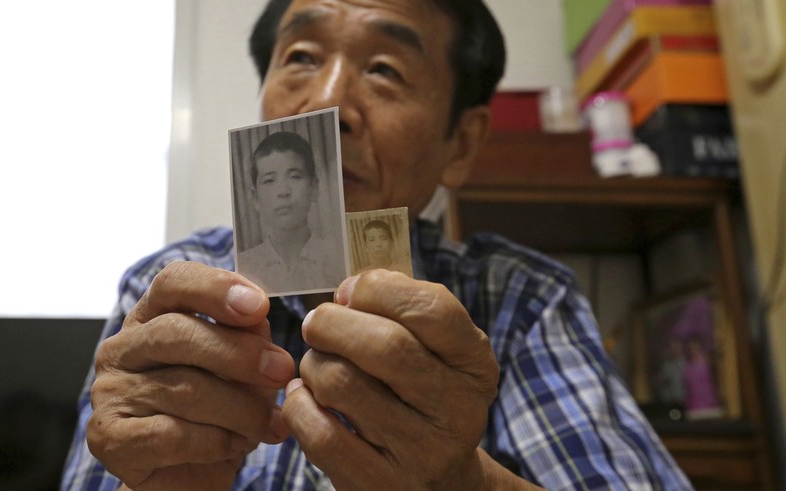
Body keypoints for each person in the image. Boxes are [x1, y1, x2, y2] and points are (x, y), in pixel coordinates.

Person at [62, 0, 691, 489]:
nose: (329, 102)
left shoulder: (519, 298)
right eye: (301, 57)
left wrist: (460, 485)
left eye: (385, 69)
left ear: (462, 144)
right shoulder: (164, 290)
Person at [236, 131, 345, 293]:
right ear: (256, 198)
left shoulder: (340, 259)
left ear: (314, 188)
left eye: (295, 176)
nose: (283, 191)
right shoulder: (243, 268)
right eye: (269, 180)